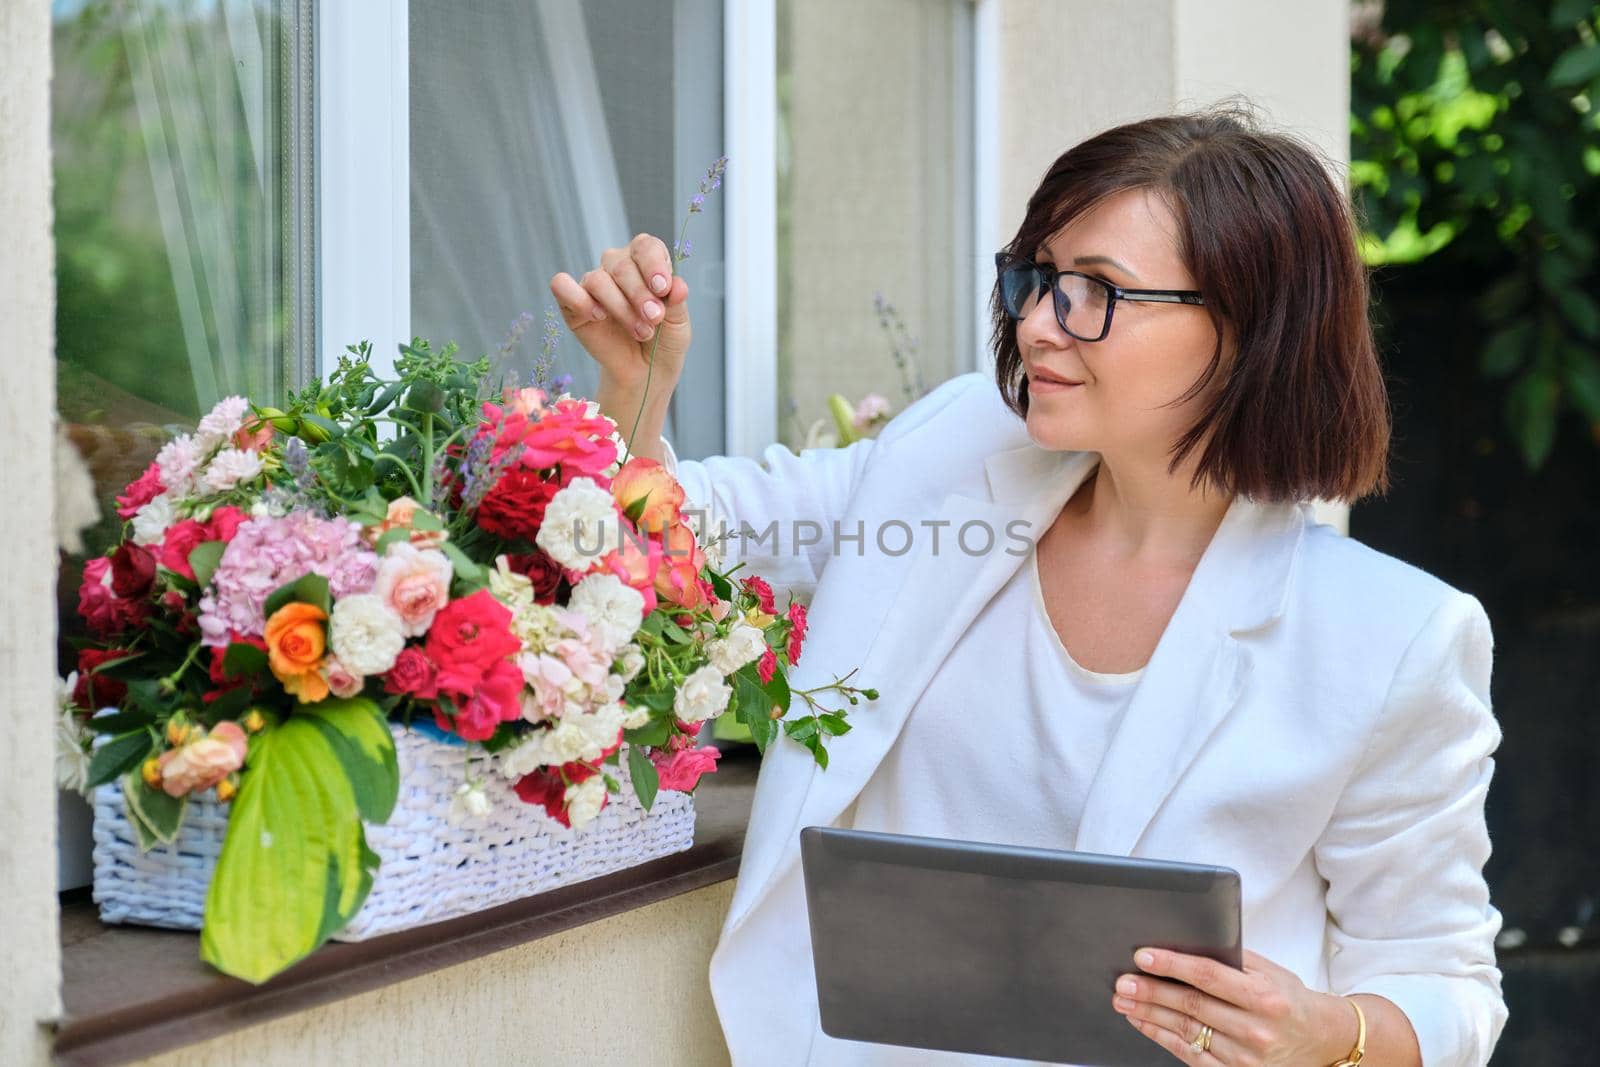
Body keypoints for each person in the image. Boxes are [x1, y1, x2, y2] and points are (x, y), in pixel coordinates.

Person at [550, 106, 1508, 1067]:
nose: (1037, 323)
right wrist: (635, 394)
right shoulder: (952, 454)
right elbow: (671, 537)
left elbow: (1449, 984)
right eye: (1039, 277)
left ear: (1247, 332)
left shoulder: (1393, 637)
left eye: (1097, 291)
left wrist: (1329, 1035)